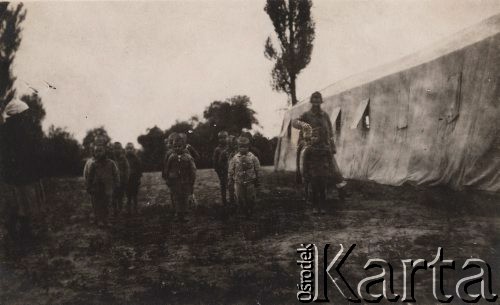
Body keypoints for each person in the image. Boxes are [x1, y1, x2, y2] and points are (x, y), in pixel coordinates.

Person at [0, 99, 43, 253]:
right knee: (19, 205)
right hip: (18, 175)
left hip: (20, 174)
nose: (27, 115)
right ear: (18, 115)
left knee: (23, 205)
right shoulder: (12, 131)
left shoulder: (15, 129)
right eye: (24, 113)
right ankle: (17, 232)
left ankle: (23, 232)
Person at [292, 91, 348, 201]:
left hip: (323, 145)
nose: (316, 104)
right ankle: (303, 184)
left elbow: (330, 132)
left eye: (318, 102)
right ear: (311, 102)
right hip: (309, 144)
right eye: (314, 102)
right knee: (304, 164)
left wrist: (332, 146)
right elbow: (294, 122)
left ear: (321, 102)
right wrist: (302, 125)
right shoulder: (306, 115)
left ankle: (341, 189)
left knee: (334, 168)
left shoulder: (325, 115)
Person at [163, 133, 196, 222]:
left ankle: (185, 214)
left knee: (184, 197)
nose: (177, 148)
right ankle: (178, 214)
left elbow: (193, 169)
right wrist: (167, 178)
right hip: (175, 181)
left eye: (179, 146)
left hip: (185, 181)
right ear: (172, 147)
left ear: (184, 146)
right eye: (175, 146)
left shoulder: (188, 157)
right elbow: (167, 168)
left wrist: (192, 180)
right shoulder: (171, 157)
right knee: (176, 198)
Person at [87, 144, 120, 226]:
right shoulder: (93, 164)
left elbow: (116, 174)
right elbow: (90, 177)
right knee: (98, 204)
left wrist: (117, 184)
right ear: (94, 153)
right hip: (96, 188)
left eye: (100, 151)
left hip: (108, 187)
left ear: (105, 151)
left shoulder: (111, 163)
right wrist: (89, 187)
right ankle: (99, 220)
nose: (98, 153)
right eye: (96, 151)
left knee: (107, 204)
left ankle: (107, 220)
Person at [228, 136, 261, 217]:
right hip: (238, 181)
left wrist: (258, 179)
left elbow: (257, 168)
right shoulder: (235, 158)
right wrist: (230, 179)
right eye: (241, 147)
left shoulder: (252, 157)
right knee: (239, 197)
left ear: (248, 147)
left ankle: (250, 210)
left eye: (245, 147)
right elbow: (231, 169)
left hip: (250, 181)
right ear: (238, 147)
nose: (243, 149)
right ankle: (242, 210)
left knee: (250, 197)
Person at [302, 129, 332, 214]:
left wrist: (329, 171)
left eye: (315, 136)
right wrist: (305, 173)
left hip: (323, 172)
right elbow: (305, 163)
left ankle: (322, 207)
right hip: (313, 172)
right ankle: (314, 207)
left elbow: (330, 161)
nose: (313, 138)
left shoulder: (326, 149)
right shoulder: (309, 149)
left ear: (321, 138)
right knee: (314, 190)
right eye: (312, 136)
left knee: (323, 190)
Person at [112, 142, 130, 217]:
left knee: (121, 196)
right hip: (113, 181)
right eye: (115, 148)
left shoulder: (124, 159)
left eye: (118, 148)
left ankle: (120, 210)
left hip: (122, 181)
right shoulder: (111, 159)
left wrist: (126, 179)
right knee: (113, 196)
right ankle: (114, 210)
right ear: (113, 150)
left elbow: (127, 169)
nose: (117, 150)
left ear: (121, 149)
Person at [125, 142, 142, 214]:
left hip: (134, 179)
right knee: (128, 196)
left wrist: (138, 178)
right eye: (127, 148)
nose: (129, 150)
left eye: (130, 148)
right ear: (125, 150)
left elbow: (139, 169)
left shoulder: (136, 159)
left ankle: (136, 209)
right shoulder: (124, 159)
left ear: (133, 149)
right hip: (127, 180)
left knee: (135, 196)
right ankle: (128, 210)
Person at [213, 131, 229, 205]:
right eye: (220, 138)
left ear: (227, 137)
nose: (223, 139)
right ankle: (224, 200)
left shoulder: (230, 148)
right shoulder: (217, 149)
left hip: (231, 170)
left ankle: (233, 199)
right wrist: (218, 171)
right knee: (223, 185)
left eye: (224, 137)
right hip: (222, 171)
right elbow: (215, 161)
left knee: (232, 186)